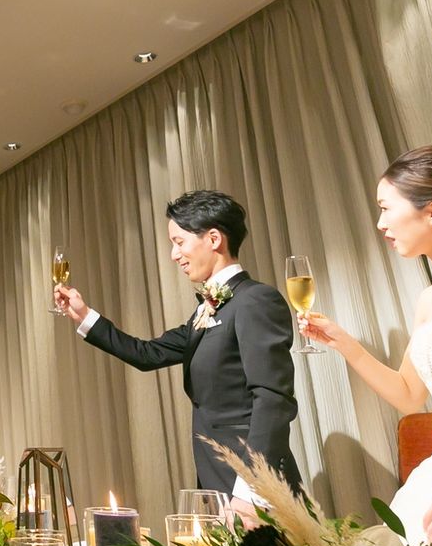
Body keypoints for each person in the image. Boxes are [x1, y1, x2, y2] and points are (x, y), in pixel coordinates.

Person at [54, 189, 301, 517]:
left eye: (179, 242)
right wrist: (85, 316)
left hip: (255, 494)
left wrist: (252, 492)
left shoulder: (255, 300)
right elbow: (147, 354)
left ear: (214, 239)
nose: (174, 254)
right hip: (218, 486)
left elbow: (273, 399)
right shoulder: (208, 310)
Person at [300, 145, 432, 544]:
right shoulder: (429, 300)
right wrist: (344, 343)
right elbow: (409, 396)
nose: (381, 223)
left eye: (386, 208)